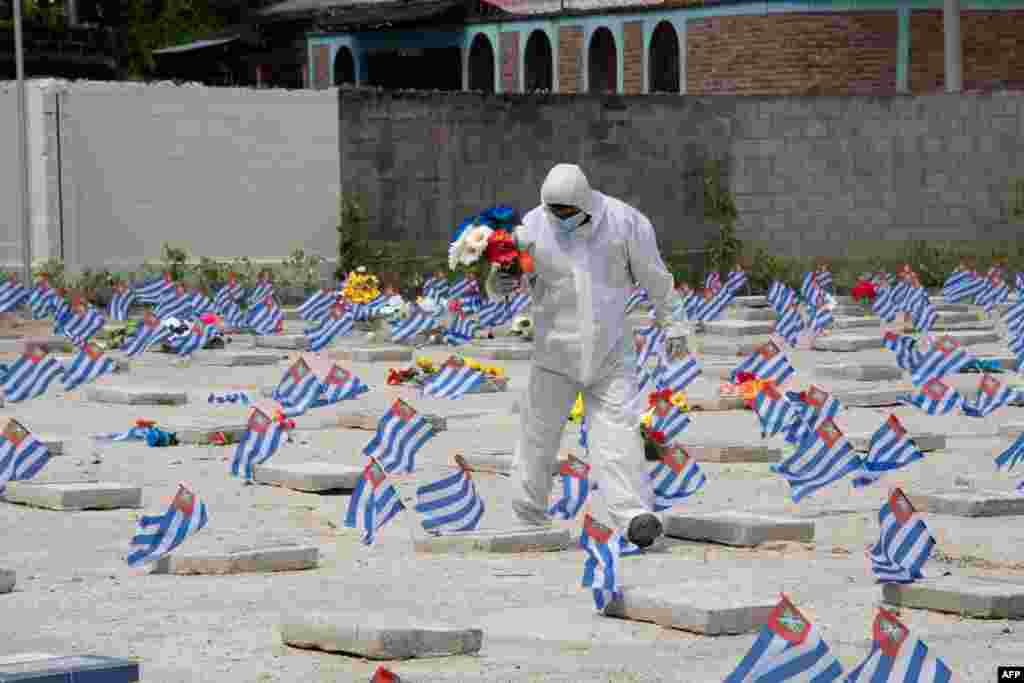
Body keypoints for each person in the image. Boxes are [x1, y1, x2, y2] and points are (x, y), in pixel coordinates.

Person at [487, 163, 685, 549]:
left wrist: (674, 323)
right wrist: (502, 277)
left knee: (618, 434)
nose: (558, 218)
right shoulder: (532, 226)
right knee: (537, 435)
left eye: (565, 211)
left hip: (610, 350)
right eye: (552, 210)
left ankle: (633, 518)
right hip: (554, 354)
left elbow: (656, 279)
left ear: (585, 204)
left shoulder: (625, 223)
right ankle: (528, 515)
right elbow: (506, 285)